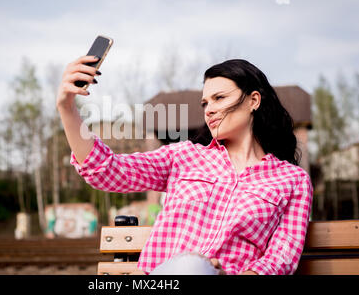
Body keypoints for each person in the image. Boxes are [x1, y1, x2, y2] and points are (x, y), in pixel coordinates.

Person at [56, 56, 313, 275]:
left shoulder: (292, 180)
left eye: (219, 98)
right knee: (191, 266)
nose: (209, 109)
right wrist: (67, 107)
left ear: (253, 101)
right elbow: (107, 171)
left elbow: (281, 257)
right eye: (205, 103)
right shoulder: (184, 157)